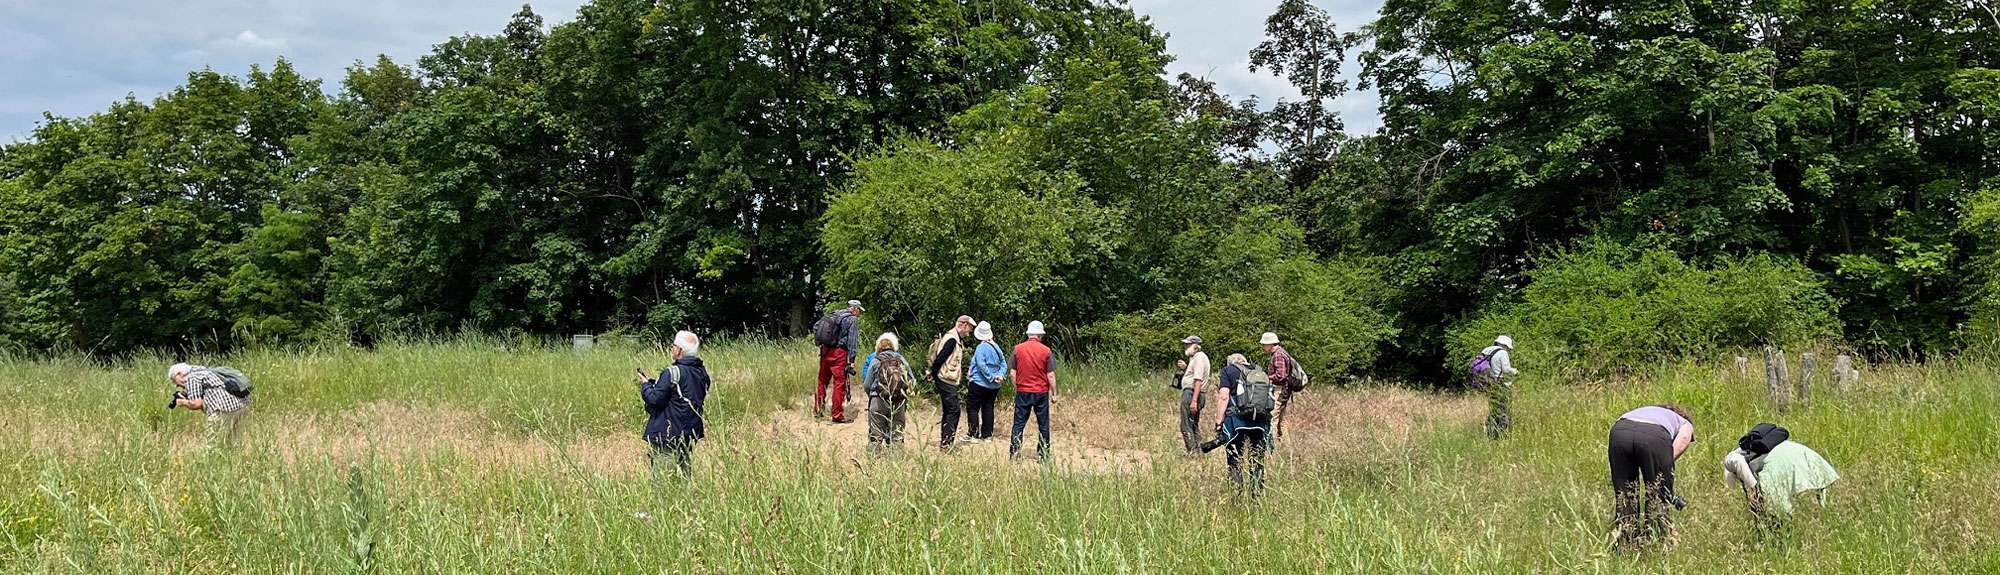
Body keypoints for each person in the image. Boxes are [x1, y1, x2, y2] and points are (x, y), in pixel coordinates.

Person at [1608, 404, 1695, 549]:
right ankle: (1656, 540)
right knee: (1657, 495)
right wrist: (1663, 462)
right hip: (1654, 436)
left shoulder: (1644, 410)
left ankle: (1625, 541)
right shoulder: (1684, 422)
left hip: (1619, 431)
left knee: (1624, 493)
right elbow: (1685, 437)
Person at [1721, 425, 1838, 522]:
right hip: (1803, 454)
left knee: (1776, 511)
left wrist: (1754, 488)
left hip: (1777, 462)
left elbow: (1738, 462)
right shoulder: (1760, 451)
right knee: (1825, 504)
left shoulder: (1731, 460)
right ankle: (1827, 518)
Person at [638, 331, 711, 475]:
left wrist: (646, 385)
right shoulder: (702, 373)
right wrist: (655, 384)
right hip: (689, 434)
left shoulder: (671, 372)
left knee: (662, 480)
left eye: (674, 346)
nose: (672, 348)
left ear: (679, 350)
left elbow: (654, 399)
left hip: (667, 435)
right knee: (684, 476)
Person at [1201, 354, 1274, 497]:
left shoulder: (1228, 371)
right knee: (1257, 460)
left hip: (1236, 422)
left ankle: (1237, 495)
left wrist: (1218, 422)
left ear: (1231, 363)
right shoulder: (1260, 371)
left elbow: (1224, 397)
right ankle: (1256, 496)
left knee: (1235, 458)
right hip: (1260, 421)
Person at [168, 363, 252, 449]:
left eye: (175, 381)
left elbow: (196, 404)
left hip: (224, 410)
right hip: (242, 405)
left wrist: (182, 402)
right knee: (233, 442)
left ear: (179, 374)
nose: (177, 385)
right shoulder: (201, 370)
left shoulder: (191, 378)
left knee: (212, 445)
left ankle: (212, 460)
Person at [1008, 321, 1057, 461]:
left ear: (1028, 334)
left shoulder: (1017, 349)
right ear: (1040, 335)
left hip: (1023, 391)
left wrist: (1017, 387)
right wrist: (1054, 393)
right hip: (1041, 392)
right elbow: (1051, 375)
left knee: (1018, 423)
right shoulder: (1046, 351)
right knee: (1043, 424)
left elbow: (1012, 373)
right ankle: (1043, 454)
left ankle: (1014, 453)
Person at [928, 315, 974, 449]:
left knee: (950, 411)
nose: (969, 332)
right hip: (945, 379)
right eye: (969, 329)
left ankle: (946, 442)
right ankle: (947, 444)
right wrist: (933, 373)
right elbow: (940, 358)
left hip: (946, 379)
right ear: (963, 325)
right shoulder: (952, 340)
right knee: (954, 410)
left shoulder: (954, 338)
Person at [813, 300, 864, 423]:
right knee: (839, 383)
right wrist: (851, 360)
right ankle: (837, 415)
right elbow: (852, 341)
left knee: (822, 381)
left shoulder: (834, 314)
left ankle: (818, 410)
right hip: (839, 353)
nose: (860, 314)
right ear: (855, 309)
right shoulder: (852, 319)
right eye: (860, 311)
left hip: (825, 350)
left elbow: (816, 327)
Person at [864, 333, 916, 450]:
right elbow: (911, 380)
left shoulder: (876, 361)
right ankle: (897, 461)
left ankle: (873, 462)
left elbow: (867, 384)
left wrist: (872, 396)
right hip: (898, 401)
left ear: (878, 348)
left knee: (875, 434)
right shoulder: (901, 360)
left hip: (878, 400)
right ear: (893, 347)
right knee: (897, 434)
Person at [964, 321, 1007, 443]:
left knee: (972, 408)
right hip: (994, 386)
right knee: (988, 407)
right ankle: (987, 435)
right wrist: (1000, 375)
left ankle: (973, 434)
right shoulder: (996, 347)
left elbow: (981, 365)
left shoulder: (980, 348)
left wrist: (991, 377)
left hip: (979, 383)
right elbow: (1003, 363)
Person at [1260, 332, 1303, 439]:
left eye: (1264, 344)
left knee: (1273, 418)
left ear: (1270, 344)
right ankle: (1284, 443)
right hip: (1285, 389)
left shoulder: (1278, 355)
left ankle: (1272, 445)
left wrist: (1267, 378)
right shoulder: (1281, 353)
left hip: (1280, 389)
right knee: (1281, 419)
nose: (1263, 347)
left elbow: (1281, 375)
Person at [1478, 335, 1519, 439]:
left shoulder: (1487, 350)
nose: (1508, 350)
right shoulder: (1503, 353)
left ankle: (1490, 434)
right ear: (1505, 345)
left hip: (1490, 384)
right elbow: (1506, 370)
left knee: (1494, 411)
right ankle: (1503, 436)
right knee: (1504, 411)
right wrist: (1515, 371)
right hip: (1501, 385)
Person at [1175, 336, 1212, 454]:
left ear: (1196, 346)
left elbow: (1198, 380)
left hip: (1192, 393)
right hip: (1194, 393)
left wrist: (1194, 400)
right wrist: (1186, 367)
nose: (1185, 347)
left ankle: (1192, 451)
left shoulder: (1200, 358)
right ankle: (1198, 450)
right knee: (1193, 423)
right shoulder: (1196, 358)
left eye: (1188, 345)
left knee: (1186, 424)